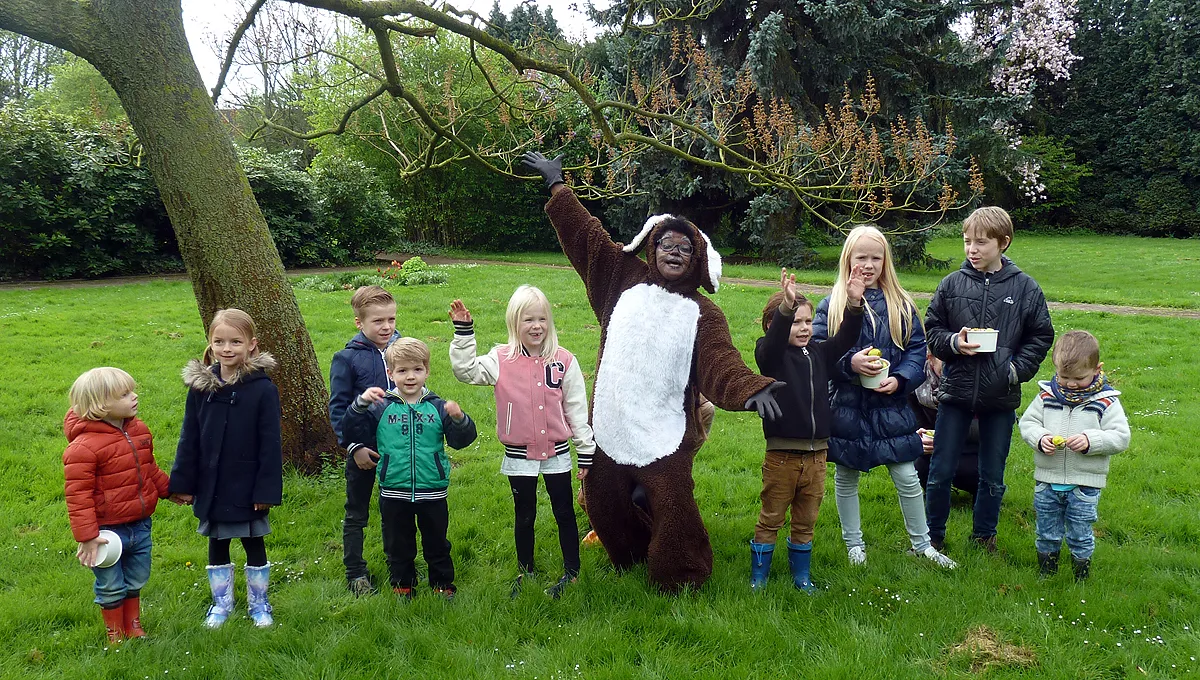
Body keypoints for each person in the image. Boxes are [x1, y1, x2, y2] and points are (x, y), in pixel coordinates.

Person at [521, 151, 783, 592]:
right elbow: (587, 238)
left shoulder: (704, 313)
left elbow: (721, 362)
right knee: (603, 503)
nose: (674, 253)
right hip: (610, 426)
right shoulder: (621, 278)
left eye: (684, 249)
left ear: (697, 259)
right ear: (651, 246)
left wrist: (749, 390)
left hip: (664, 434)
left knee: (674, 505)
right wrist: (558, 187)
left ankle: (682, 576)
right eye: (666, 245)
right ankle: (629, 554)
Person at [813, 225, 957, 569]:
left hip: (890, 408)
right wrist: (850, 363)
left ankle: (923, 545)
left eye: (875, 257)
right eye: (861, 257)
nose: (868, 263)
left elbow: (916, 351)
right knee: (846, 477)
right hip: (846, 407)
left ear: (885, 261)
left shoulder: (901, 304)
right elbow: (818, 353)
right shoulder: (831, 305)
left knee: (907, 476)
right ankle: (854, 545)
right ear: (848, 260)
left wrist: (901, 378)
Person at [449, 287, 595, 599]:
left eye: (542, 319)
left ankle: (572, 572)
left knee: (564, 512)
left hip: (557, 454)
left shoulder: (564, 361)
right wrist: (464, 333)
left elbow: (576, 409)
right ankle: (525, 569)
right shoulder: (500, 359)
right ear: (515, 323)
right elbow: (465, 371)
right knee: (524, 512)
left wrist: (585, 451)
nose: (536, 326)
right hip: (519, 456)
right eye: (528, 319)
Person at [924, 207, 1054, 554]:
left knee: (993, 476)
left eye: (981, 242)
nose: (972, 249)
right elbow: (932, 329)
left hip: (1000, 397)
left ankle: (984, 537)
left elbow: (1041, 335)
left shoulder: (1025, 288)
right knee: (940, 470)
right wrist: (954, 343)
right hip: (954, 393)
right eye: (967, 241)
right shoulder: (951, 284)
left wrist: (1014, 370)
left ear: (1003, 243)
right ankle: (931, 537)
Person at [750, 267, 865, 591]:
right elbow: (771, 345)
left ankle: (801, 577)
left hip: (816, 457)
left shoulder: (819, 352)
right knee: (771, 517)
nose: (804, 328)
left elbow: (845, 337)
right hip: (782, 457)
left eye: (807, 321)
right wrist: (786, 307)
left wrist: (855, 304)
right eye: (795, 321)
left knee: (806, 520)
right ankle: (759, 577)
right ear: (774, 324)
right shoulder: (770, 354)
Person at [169, 309, 283, 628]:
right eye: (219, 341)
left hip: (247, 485)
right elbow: (188, 436)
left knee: (253, 542)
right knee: (216, 542)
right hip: (212, 483)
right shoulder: (200, 388)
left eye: (235, 341)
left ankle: (259, 603)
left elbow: (271, 444)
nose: (227, 348)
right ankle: (221, 604)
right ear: (210, 344)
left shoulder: (263, 390)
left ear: (251, 344)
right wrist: (183, 482)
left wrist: (266, 490)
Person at [342, 338, 478, 600]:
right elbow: (351, 430)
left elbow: (461, 442)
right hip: (394, 490)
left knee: (437, 542)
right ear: (391, 373)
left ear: (427, 370)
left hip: (432, 490)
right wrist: (359, 404)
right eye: (402, 371)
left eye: (417, 369)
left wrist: (460, 420)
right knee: (397, 544)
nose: (410, 377)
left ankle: (442, 584)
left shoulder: (437, 407)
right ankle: (403, 584)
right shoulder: (380, 406)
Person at [63, 367, 174, 642]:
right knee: (111, 584)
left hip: (140, 523)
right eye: (125, 394)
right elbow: (78, 496)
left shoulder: (138, 430)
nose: (134, 397)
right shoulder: (83, 448)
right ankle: (115, 632)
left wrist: (172, 491)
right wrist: (88, 538)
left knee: (137, 577)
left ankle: (133, 625)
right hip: (106, 533)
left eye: (132, 390)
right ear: (101, 405)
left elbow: (148, 468)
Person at [1018, 330, 1129, 580]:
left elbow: (1121, 436)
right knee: (1046, 531)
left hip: (1085, 484)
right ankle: (1047, 573)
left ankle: (1081, 576)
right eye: (1063, 376)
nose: (1070, 383)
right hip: (1047, 480)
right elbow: (1028, 423)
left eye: (1079, 378)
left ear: (1097, 369)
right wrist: (1040, 438)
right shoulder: (1046, 396)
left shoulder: (1106, 402)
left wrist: (1092, 440)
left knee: (1079, 532)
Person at [328, 285, 400, 596]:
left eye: (392, 319)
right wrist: (353, 446)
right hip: (363, 450)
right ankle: (355, 571)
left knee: (395, 509)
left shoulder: (402, 349)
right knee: (357, 511)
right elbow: (338, 409)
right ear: (359, 322)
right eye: (378, 321)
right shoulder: (346, 358)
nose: (387, 327)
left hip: (398, 449)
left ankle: (398, 565)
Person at [910, 349, 980, 498]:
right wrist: (921, 438)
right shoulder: (916, 380)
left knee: (968, 472)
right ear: (930, 359)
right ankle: (935, 492)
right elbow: (916, 419)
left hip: (971, 446)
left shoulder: (976, 380)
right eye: (946, 365)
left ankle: (982, 493)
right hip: (935, 444)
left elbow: (985, 429)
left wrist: (944, 436)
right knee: (918, 466)